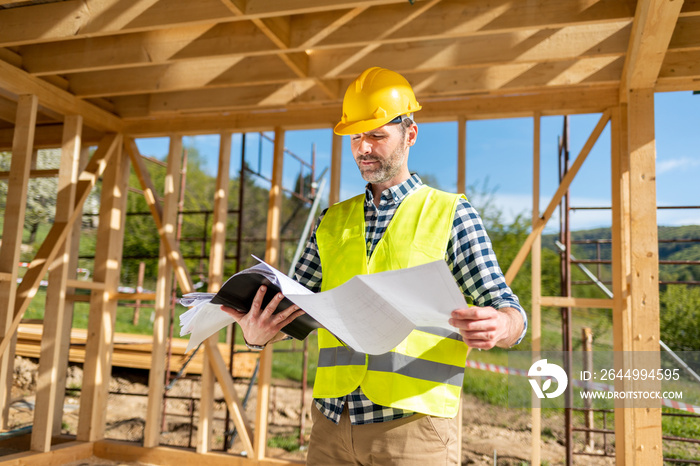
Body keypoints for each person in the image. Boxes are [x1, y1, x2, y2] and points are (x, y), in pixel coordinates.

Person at [222, 66, 527, 465]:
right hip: (332, 424)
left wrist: (501, 324)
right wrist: (258, 334)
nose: (363, 148)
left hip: (412, 429)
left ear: (410, 134)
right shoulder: (331, 221)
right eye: (355, 137)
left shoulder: (450, 213)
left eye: (377, 135)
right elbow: (297, 311)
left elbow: (509, 310)